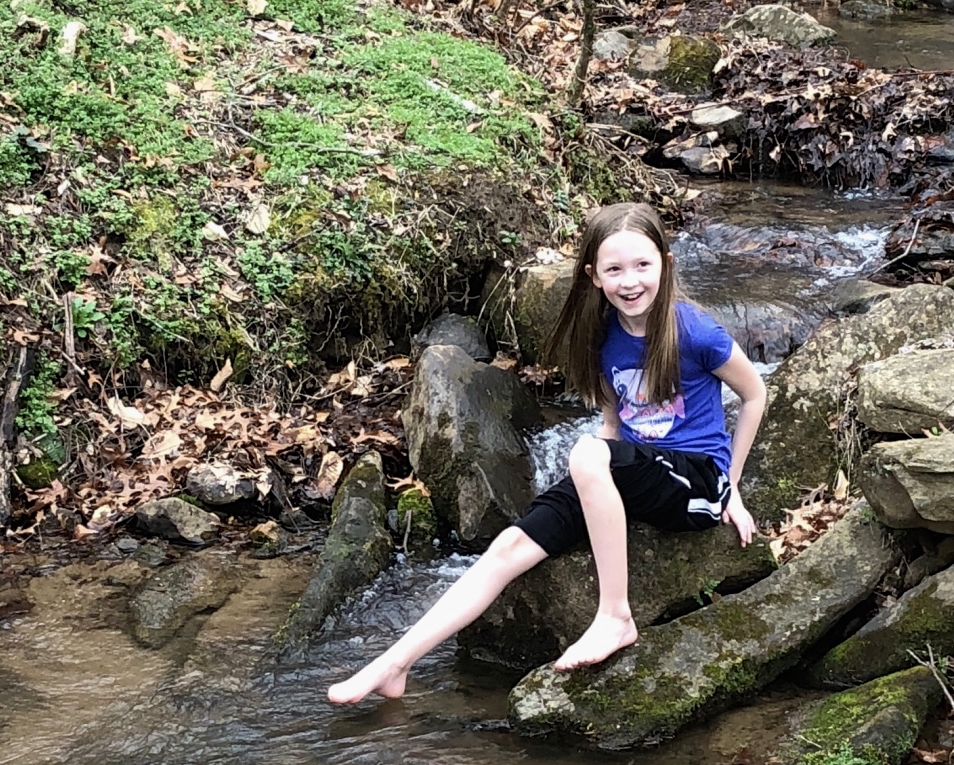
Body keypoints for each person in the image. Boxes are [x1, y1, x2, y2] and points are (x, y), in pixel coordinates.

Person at [327, 202, 767, 705]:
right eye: (614, 269)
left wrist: (731, 486)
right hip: (635, 474)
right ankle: (393, 664)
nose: (630, 281)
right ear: (593, 276)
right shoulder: (601, 337)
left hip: (696, 480)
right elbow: (613, 423)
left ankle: (615, 616)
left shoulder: (694, 330)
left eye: (643, 265)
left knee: (585, 453)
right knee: (508, 547)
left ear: (666, 262)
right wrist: (593, 485)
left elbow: (755, 395)